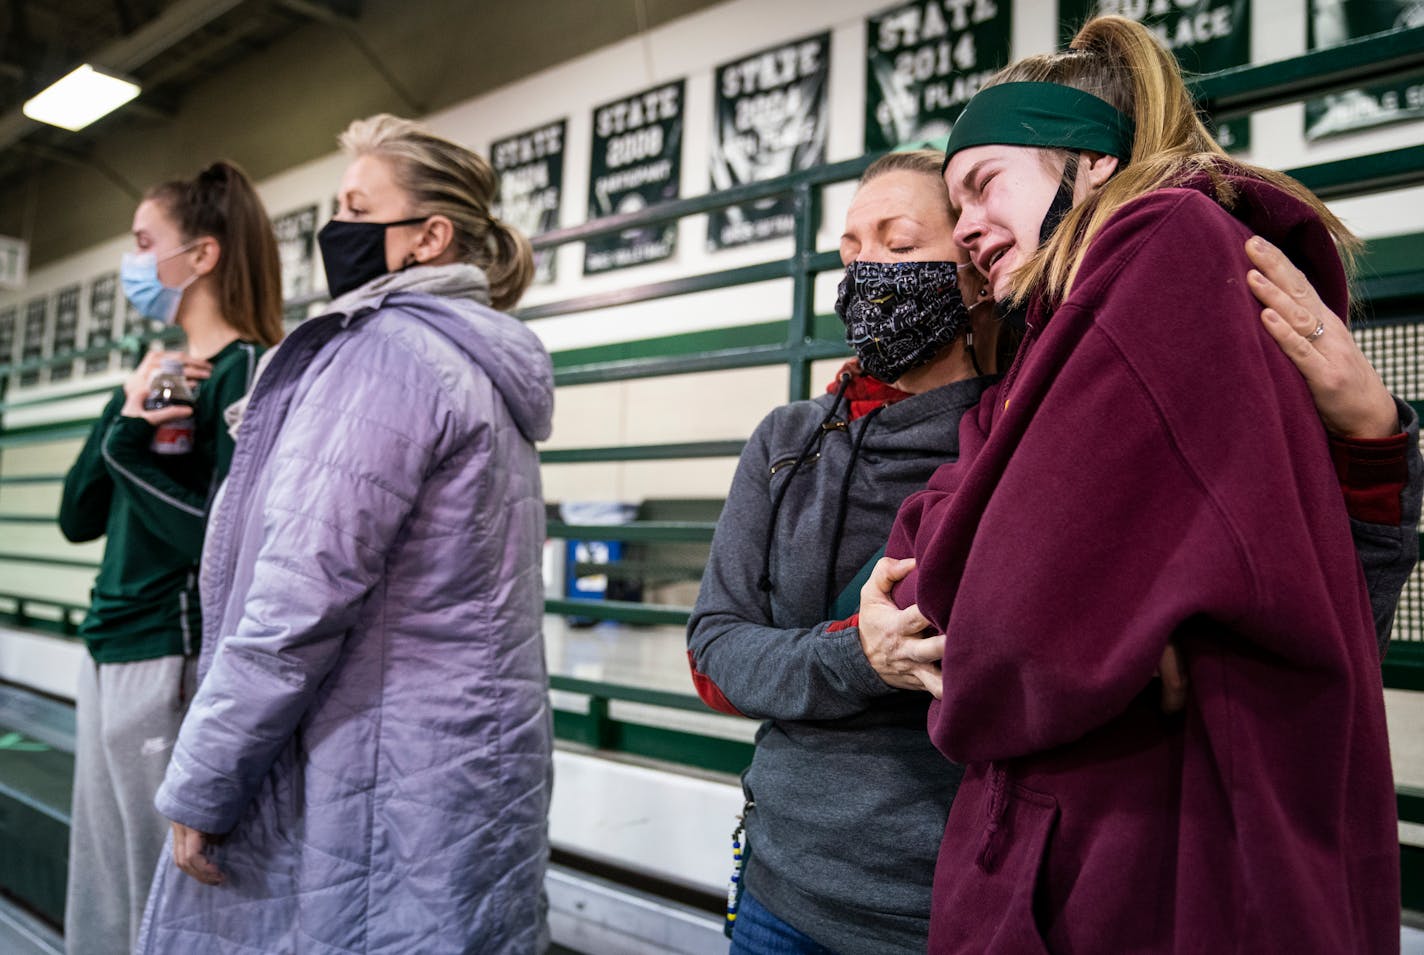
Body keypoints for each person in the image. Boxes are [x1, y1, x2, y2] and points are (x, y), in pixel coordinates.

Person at [686, 152, 1420, 952]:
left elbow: (1294, 613)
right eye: (851, 253)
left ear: (974, 269)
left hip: (948, 903)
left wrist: (1373, 440)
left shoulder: (1031, 433)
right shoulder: (788, 441)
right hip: (778, 890)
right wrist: (856, 656)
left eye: (899, 246)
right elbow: (715, 652)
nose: (869, 272)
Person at [879, 16, 1418, 952]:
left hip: (1154, 870)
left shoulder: (1167, 245)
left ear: (1090, 164)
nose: (963, 231)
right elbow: (927, 546)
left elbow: (997, 626)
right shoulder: (1047, 339)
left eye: (983, 185)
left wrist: (1002, 618)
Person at [136, 114, 554, 955]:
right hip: (462, 768)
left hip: (376, 775)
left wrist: (204, 780)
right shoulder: (477, 362)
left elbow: (298, 593)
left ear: (427, 237)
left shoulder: (386, 356)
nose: (337, 229)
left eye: (358, 207)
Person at [56, 161, 283, 955]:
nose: (134, 261)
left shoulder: (246, 370)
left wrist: (128, 442)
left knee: (165, 892)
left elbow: (219, 541)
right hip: (108, 644)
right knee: (105, 882)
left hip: (172, 654)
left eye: (145, 242)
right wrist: (122, 411)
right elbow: (75, 516)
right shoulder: (154, 374)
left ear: (203, 255)